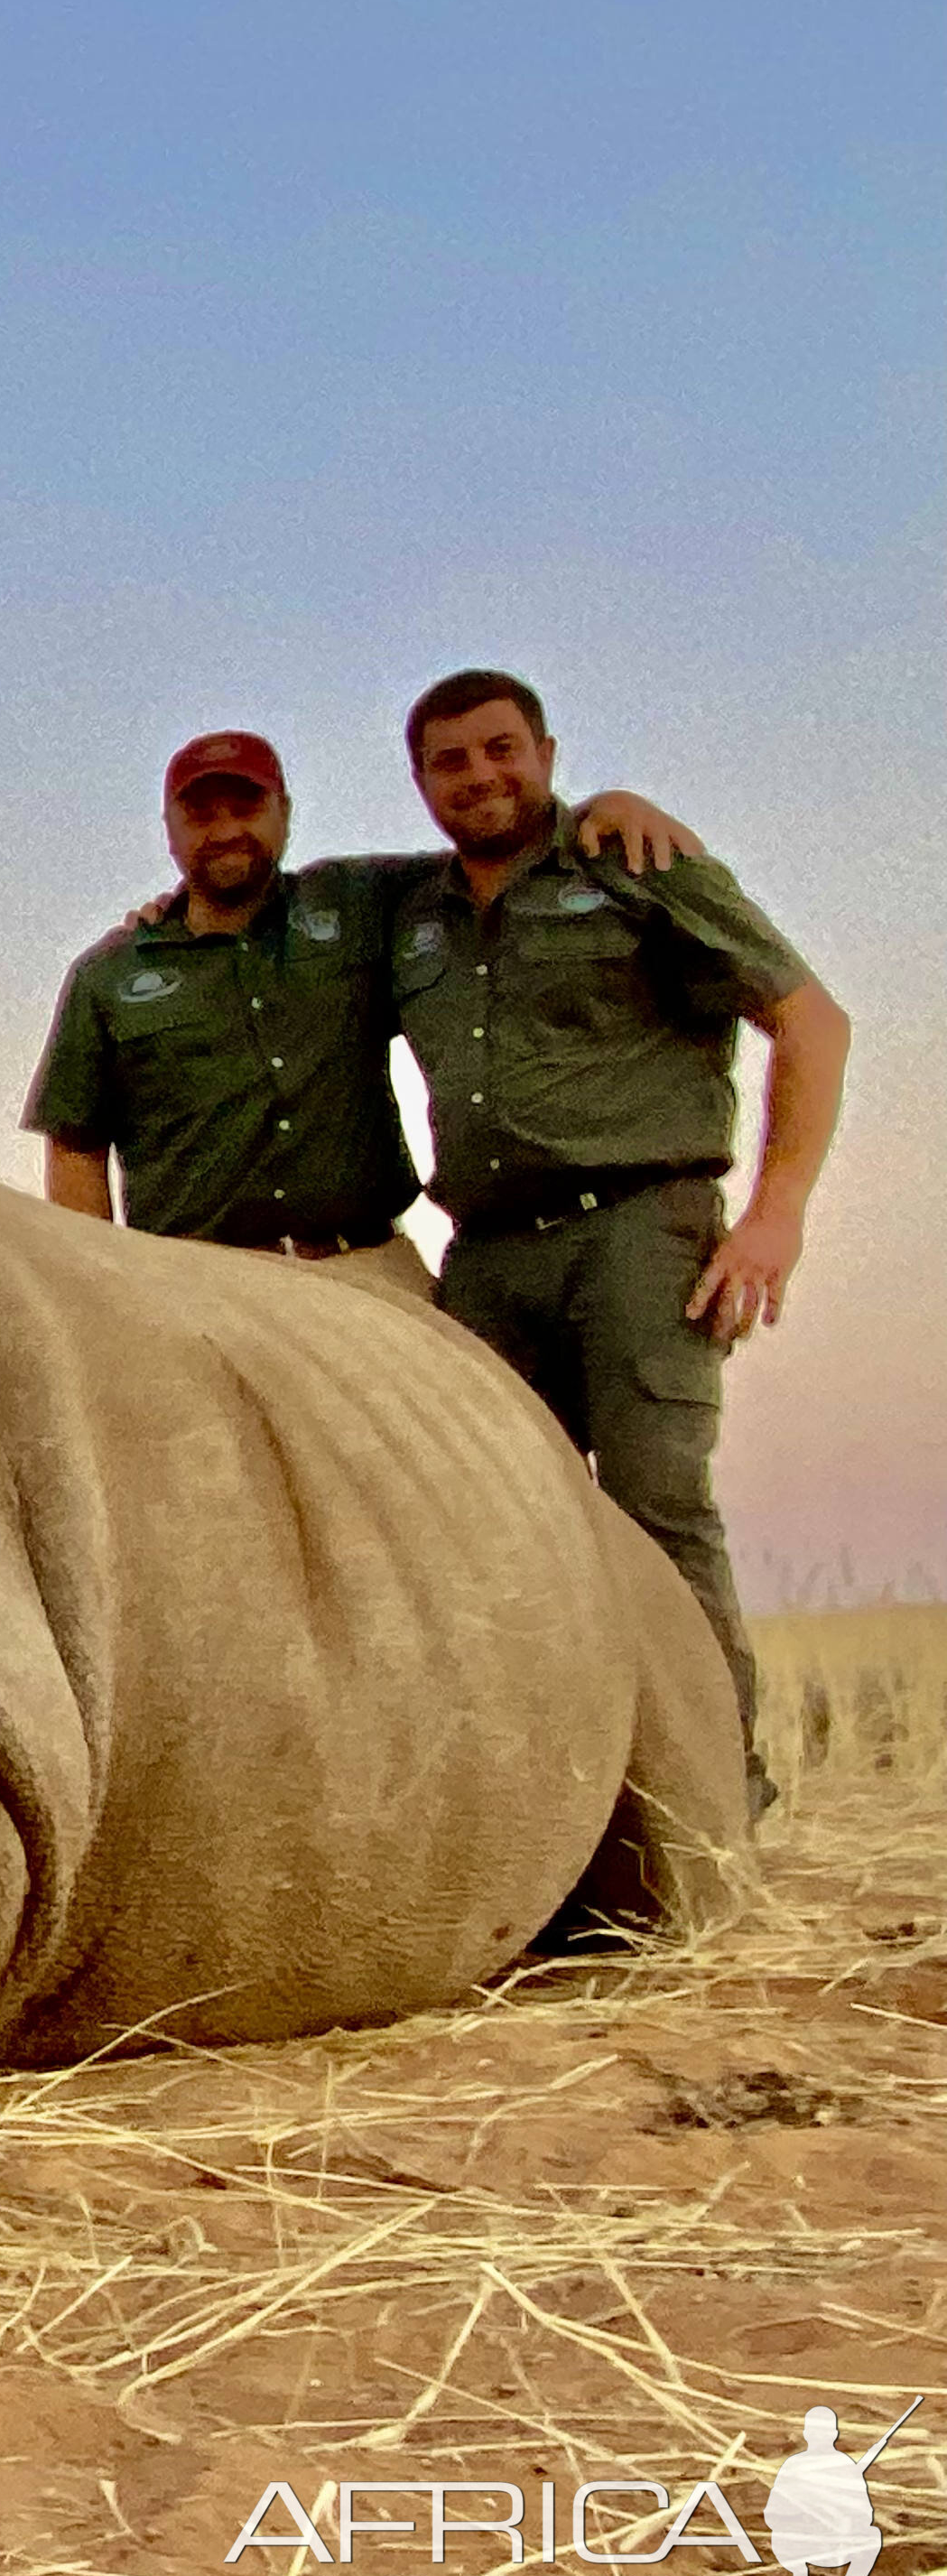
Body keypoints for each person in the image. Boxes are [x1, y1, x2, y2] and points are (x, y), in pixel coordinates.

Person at [390, 668, 850, 1787]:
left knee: (656, 1514)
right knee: (494, 1531)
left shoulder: (636, 860)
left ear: (547, 750)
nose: (480, 776)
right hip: (488, 1259)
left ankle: (714, 1807)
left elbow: (809, 1017)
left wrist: (775, 1215)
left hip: (641, 1231)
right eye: (450, 761)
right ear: (419, 782)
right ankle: (552, 1813)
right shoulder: (404, 911)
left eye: (502, 749)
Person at [24, 730, 696, 1303]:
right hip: (199, 1288)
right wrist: (103, 1290)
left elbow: (497, 857)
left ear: (285, 812)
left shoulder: (364, 901)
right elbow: (77, 1144)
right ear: (168, 832)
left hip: (369, 1275)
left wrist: (598, 808)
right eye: (201, 814)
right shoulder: (106, 976)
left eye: (247, 805)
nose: (226, 829)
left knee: (461, 1447)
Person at [762, 2406, 885, 2576]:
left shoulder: (845, 2465)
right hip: (799, 2543)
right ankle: (799, 2574)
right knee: (782, 2536)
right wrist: (802, 2516)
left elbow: (865, 2512)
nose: (820, 2437)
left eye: (825, 2432)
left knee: (872, 2536)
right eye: (815, 2432)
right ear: (806, 2434)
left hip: (835, 2543)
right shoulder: (794, 2465)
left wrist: (843, 2520)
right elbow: (772, 2513)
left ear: (834, 2434)